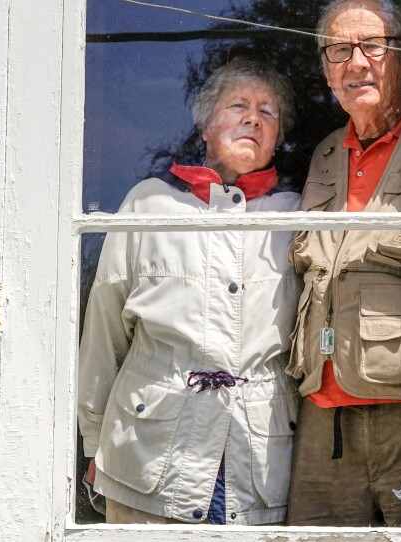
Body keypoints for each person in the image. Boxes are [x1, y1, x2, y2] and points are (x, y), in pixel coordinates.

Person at [77, 57, 301, 525]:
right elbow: (104, 331)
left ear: (278, 135)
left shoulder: (299, 213)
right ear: (204, 125)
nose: (253, 118)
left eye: (268, 111)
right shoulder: (150, 202)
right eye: (237, 105)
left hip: (257, 461)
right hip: (148, 457)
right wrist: (94, 441)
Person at [285, 0, 401, 527]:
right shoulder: (326, 152)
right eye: (340, 50)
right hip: (323, 418)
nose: (358, 62)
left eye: (373, 46)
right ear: (326, 69)